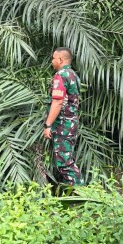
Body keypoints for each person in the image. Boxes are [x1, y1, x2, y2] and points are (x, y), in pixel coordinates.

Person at [42, 47, 84, 186]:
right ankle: (79, 193)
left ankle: (83, 194)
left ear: (60, 60)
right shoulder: (73, 75)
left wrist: (48, 125)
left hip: (63, 125)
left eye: (53, 58)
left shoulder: (61, 75)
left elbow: (58, 102)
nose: (52, 61)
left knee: (65, 164)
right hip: (71, 123)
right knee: (66, 160)